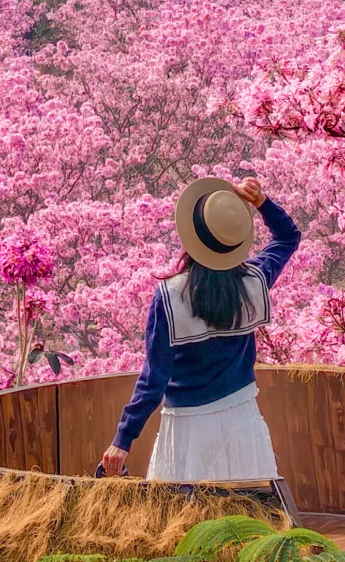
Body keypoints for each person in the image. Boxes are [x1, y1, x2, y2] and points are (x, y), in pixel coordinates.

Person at [101, 176, 300, 483]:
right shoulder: (254, 281)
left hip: (187, 429)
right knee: (250, 518)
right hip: (242, 418)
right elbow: (287, 237)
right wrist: (262, 202)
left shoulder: (170, 298)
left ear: (191, 236)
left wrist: (123, 440)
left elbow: (154, 379)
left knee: (187, 523)